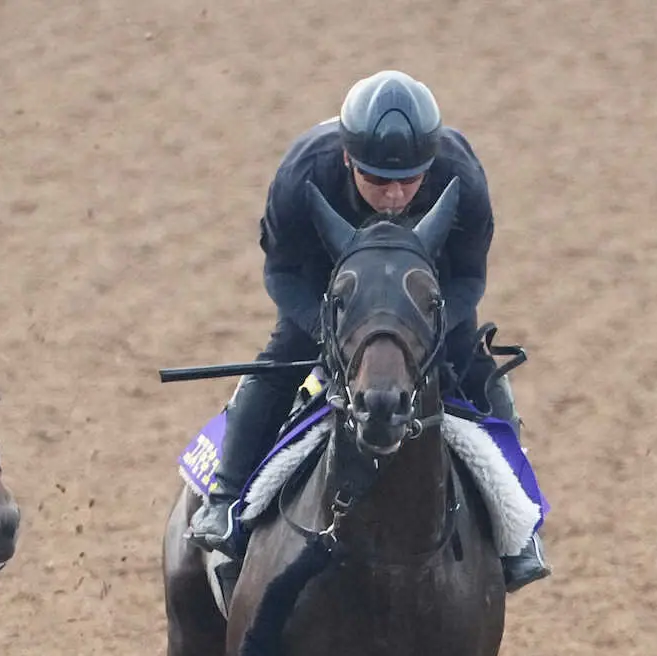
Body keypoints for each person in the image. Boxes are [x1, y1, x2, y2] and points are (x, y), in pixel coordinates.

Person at [187, 69, 550, 591]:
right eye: (377, 180)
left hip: (424, 294)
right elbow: (284, 273)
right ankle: (222, 501)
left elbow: (468, 275)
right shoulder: (301, 174)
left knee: (477, 369)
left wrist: (433, 330)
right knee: (278, 361)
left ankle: (521, 529)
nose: (395, 196)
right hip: (329, 291)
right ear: (345, 159)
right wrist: (327, 329)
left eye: (409, 181)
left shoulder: (462, 177)